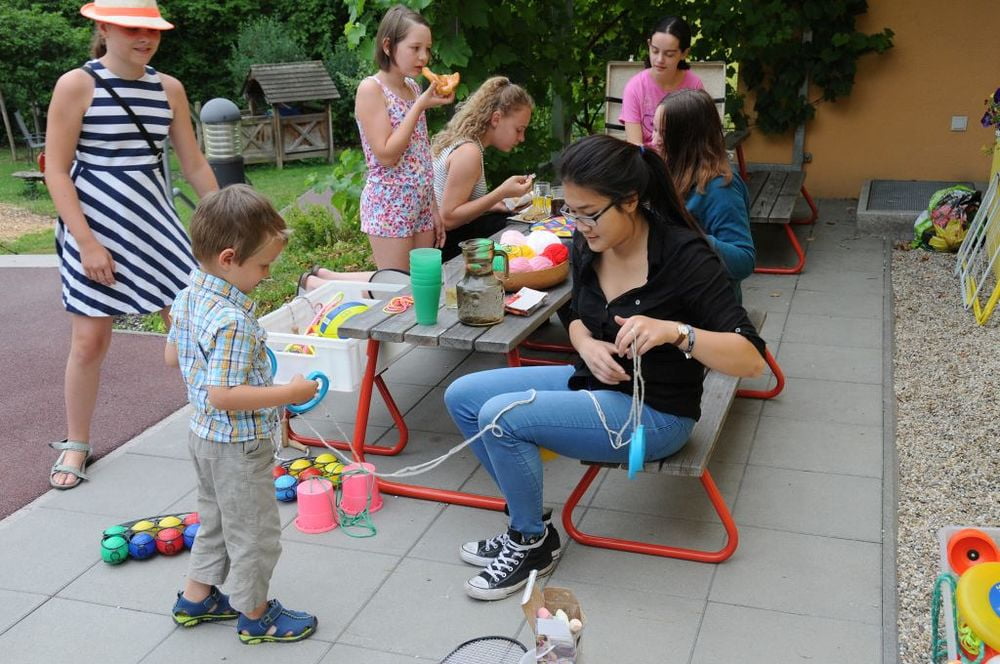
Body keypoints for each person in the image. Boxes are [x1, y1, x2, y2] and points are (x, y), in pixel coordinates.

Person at [443, 135, 766, 601]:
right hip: (593, 382)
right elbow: (575, 313)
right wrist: (586, 343)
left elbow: (750, 358)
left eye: (589, 213)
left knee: (501, 417)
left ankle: (530, 542)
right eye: (572, 212)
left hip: (656, 413)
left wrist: (676, 332)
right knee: (464, 397)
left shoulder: (685, 256)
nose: (579, 225)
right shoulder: (588, 241)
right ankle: (529, 524)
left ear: (630, 201)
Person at [44, 0, 218, 489]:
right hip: (93, 225)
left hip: (155, 221)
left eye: (152, 31)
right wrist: (86, 243)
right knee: (90, 341)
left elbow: (194, 164)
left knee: (193, 327)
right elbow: (56, 170)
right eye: (131, 29)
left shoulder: (169, 88)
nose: (145, 39)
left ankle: (225, 423)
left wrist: (229, 217)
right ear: (104, 28)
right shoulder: (77, 84)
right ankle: (77, 443)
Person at [165, 184, 319, 644]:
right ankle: (255, 614)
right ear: (229, 258)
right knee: (254, 533)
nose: (267, 275)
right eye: (263, 266)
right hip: (238, 445)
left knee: (215, 519)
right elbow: (224, 394)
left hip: (203, 438)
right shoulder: (232, 320)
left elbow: (173, 358)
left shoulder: (189, 295)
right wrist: (288, 392)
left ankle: (196, 597)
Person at [355, 4, 454, 271]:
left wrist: (432, 206)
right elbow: (386, 155)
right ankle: (320, 279)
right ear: (388, 46)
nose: (423, 57)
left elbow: (420, 153)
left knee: (422, 281)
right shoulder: (371, 89)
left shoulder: (412, 87)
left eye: (427, 49)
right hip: (390, 203)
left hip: (420, 202)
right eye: (415, 48)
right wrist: (419, 106)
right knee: (397, 286)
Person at [653, 88, 755, 300]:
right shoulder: (672, 169)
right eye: (654, 129)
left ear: (687, 139)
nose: (654, 140)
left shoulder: (720, 189)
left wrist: (690, 238)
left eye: (663, 133)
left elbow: (744, 262)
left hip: (707, 302)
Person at [431, 76, 534, 260]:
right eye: (519, 130)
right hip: (447, 248)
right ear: (496, 118)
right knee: (520, 233)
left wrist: (495, 205)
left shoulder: (462, 142)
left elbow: (455, 203)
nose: (522, 138)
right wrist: (501, 193)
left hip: (444, 240)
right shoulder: (469, 152)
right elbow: (448, 218)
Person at [619, 15, 704, 148]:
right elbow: (635, 146)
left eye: (669, 54)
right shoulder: (635, 87)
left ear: (684, 53)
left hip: (683, 159)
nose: (659, 60)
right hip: (646, 159)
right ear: (649, 45)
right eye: (655, 51)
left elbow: (698, 139)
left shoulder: (694, 86)